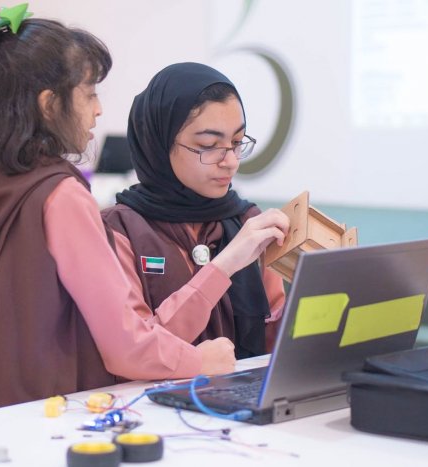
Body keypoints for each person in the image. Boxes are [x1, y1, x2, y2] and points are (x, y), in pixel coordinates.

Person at [0, 9, 235, 414]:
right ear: (49, 105)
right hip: (47, 417)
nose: (98, 109)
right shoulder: (61, 196)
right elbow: (125, 344)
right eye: (89, 93)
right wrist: (199, 361)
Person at [102, 63, 290, 359]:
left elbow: (274, 344)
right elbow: (136, 350)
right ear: (159, 143)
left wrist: (318, 298)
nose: (231, 161)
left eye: (237, 142)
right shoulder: (119, 230)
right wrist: (224, 266)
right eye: (209, 145)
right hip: (158, 390)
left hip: (245, 388)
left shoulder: (247, 221)